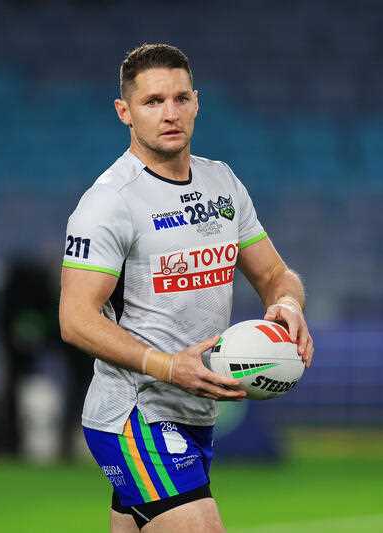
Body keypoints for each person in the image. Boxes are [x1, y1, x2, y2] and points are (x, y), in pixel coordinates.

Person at [59, 43, 314, 533]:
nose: (170, 113)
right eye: (153, 101)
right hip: (135, 414)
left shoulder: (223, 183)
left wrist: (286, 305)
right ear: (125, 112)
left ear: (197, 101)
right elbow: (75, 319)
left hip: (195, 413)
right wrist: (169, 366)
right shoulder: (108, 203)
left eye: (180, 98)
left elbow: (275, 274)